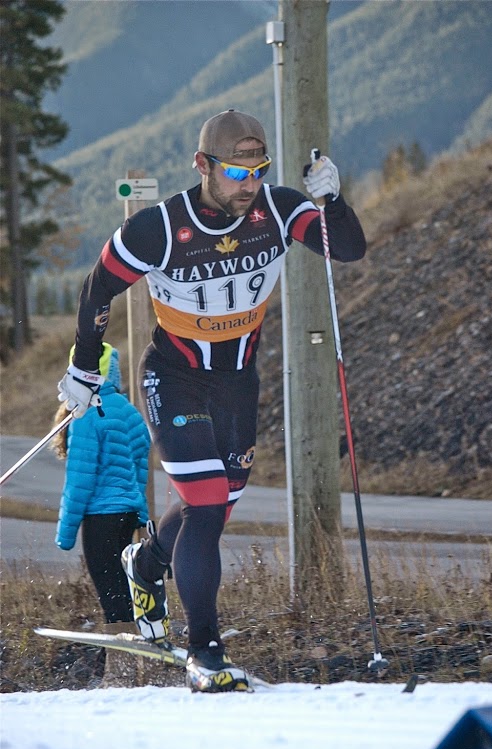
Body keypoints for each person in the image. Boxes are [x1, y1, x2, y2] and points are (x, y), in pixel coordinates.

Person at [57, 109, 366, 692]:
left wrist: (332, 201)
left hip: (237, 383)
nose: (249, 184)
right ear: (203, 165)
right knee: (203, 502)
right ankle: (205, 652)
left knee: (217, 505)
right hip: (173, 376)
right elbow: (98, 287)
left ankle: (146, 561)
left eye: (259, 169)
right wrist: (83, 365)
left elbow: (347, 249)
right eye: (236, 172)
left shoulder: (279, 209)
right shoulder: (158, 226)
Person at [53, 343, 150, 625]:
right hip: (127, 515)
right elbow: (140, 467)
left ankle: (121, 649)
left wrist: (66, 533)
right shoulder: (129, 411)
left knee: (111, 593)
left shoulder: (85, 415)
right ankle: (137, 640)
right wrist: (141, 513)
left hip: (101, 517)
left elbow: (79, 481)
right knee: (125, 586)